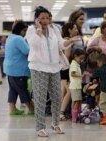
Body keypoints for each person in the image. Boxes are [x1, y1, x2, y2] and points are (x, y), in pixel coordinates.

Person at [25, 6, 80, 137]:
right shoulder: (31, 30)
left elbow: (61, 44)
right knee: (40, 98)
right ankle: (40, 127)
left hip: (55, 67)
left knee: (57, 96)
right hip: (38, 68)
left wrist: (70, 41)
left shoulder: (54, 29)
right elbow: (35, 45)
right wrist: (38, 30)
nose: (45, 20)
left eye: (47, 18)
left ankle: (55, 124)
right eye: (42, 18)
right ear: (36, 19)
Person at [3, 20, 34, 115]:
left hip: (10, 69)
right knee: (23, 89)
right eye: (25, 30)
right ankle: (32, 109)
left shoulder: (10, 37)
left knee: (13, 89)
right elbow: (27, 51)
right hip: (18, 70)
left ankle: (12, 109)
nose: (25, 33)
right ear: (21, 30)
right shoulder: (18, 39)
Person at [59, 22, 79, 120]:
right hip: (66, 69)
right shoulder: (68, 41)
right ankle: (61, 112)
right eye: (75, 28)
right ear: (69, 30)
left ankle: (60, 111)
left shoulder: (65, 40)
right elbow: (66, 56)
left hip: (63, 69)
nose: (77, 30)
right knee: (70, 91)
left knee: (65, 91)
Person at [69, 49, 86, 123]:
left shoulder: (76, 64)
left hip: (77, 85)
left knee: (78, 101)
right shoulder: (74, 64)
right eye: (80, 58)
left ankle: (76, 115)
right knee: (76, 101)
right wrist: (81, 75)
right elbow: (72, 73)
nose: (81, 60)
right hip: (75, 86)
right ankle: (74, 117)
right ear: (75, 56)